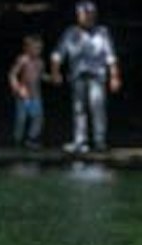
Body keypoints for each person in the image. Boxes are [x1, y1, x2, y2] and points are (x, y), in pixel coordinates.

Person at [48, 1, 121, 154]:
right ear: (78, 16)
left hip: (97, 75)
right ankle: (80, 142)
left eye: (90, 14)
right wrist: (55, 72)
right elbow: (58, 54)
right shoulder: (70, 33)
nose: (87, 17)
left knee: (97, 107)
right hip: (78, 76)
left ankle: (99, 141)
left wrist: (115, 76)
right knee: (79, 109)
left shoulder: (102, 32)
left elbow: (110, 56)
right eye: (84, 14)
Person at [8, 34, 46, 148]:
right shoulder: (23, 60)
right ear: (27, 48)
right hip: (24, 94)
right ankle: (17, 139)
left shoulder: (40, 62)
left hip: (35, 95)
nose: (37, 51)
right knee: (21, 118)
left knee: (37, 117)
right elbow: (12, 74)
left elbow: (40, 76)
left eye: (39, 48)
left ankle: (31, 138)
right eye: (35, 48)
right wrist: (17, 87)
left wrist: (51, 78)